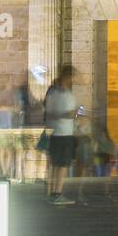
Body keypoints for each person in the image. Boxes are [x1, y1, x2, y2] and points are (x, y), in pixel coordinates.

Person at [44, 65, 79, 205]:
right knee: (61, 165)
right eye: (72, 77)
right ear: (67, 77)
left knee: (57, 164)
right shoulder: (58, 93)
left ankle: (53, 193)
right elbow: (50, 113)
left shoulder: (59, 92)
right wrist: (67, 114)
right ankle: (56, 193)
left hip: (61, 132)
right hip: (61, 133)